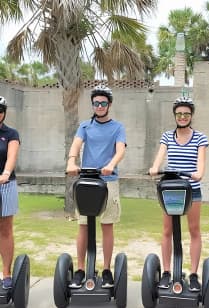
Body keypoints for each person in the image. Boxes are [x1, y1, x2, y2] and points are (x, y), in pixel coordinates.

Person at [66, 84, 126, 289]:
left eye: (103, 102)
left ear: (109, 104)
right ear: (92, 104)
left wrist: (111, 165)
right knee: (83, 226)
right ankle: (81, 269)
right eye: (96, 103)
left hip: (108, 182)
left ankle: (107, 269)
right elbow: (76, 145)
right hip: (87, 181)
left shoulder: (118, 127)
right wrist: (71, 162)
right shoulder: (85, 126)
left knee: (107, 225)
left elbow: (120, 150)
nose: (99, 106)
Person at [149, 96, 209, 292]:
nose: (182, 117)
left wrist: (198, 173)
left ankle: (192, 274)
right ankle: (167, 273)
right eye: (179, 114)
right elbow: (160, 155)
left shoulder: (200, 137)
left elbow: (200, 164)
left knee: (194, 230)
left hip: (191, 190)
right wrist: (155, 167)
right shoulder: (167, 136)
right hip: (172, 189)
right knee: (167, 231)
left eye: (186, 114)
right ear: (175, 115)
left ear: (191, 115)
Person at [0, 96, 20, 290]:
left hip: (5, 185)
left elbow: (12, 156)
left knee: (5, 229)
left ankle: (6, 273)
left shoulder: (11, 133)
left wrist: (5, 173)